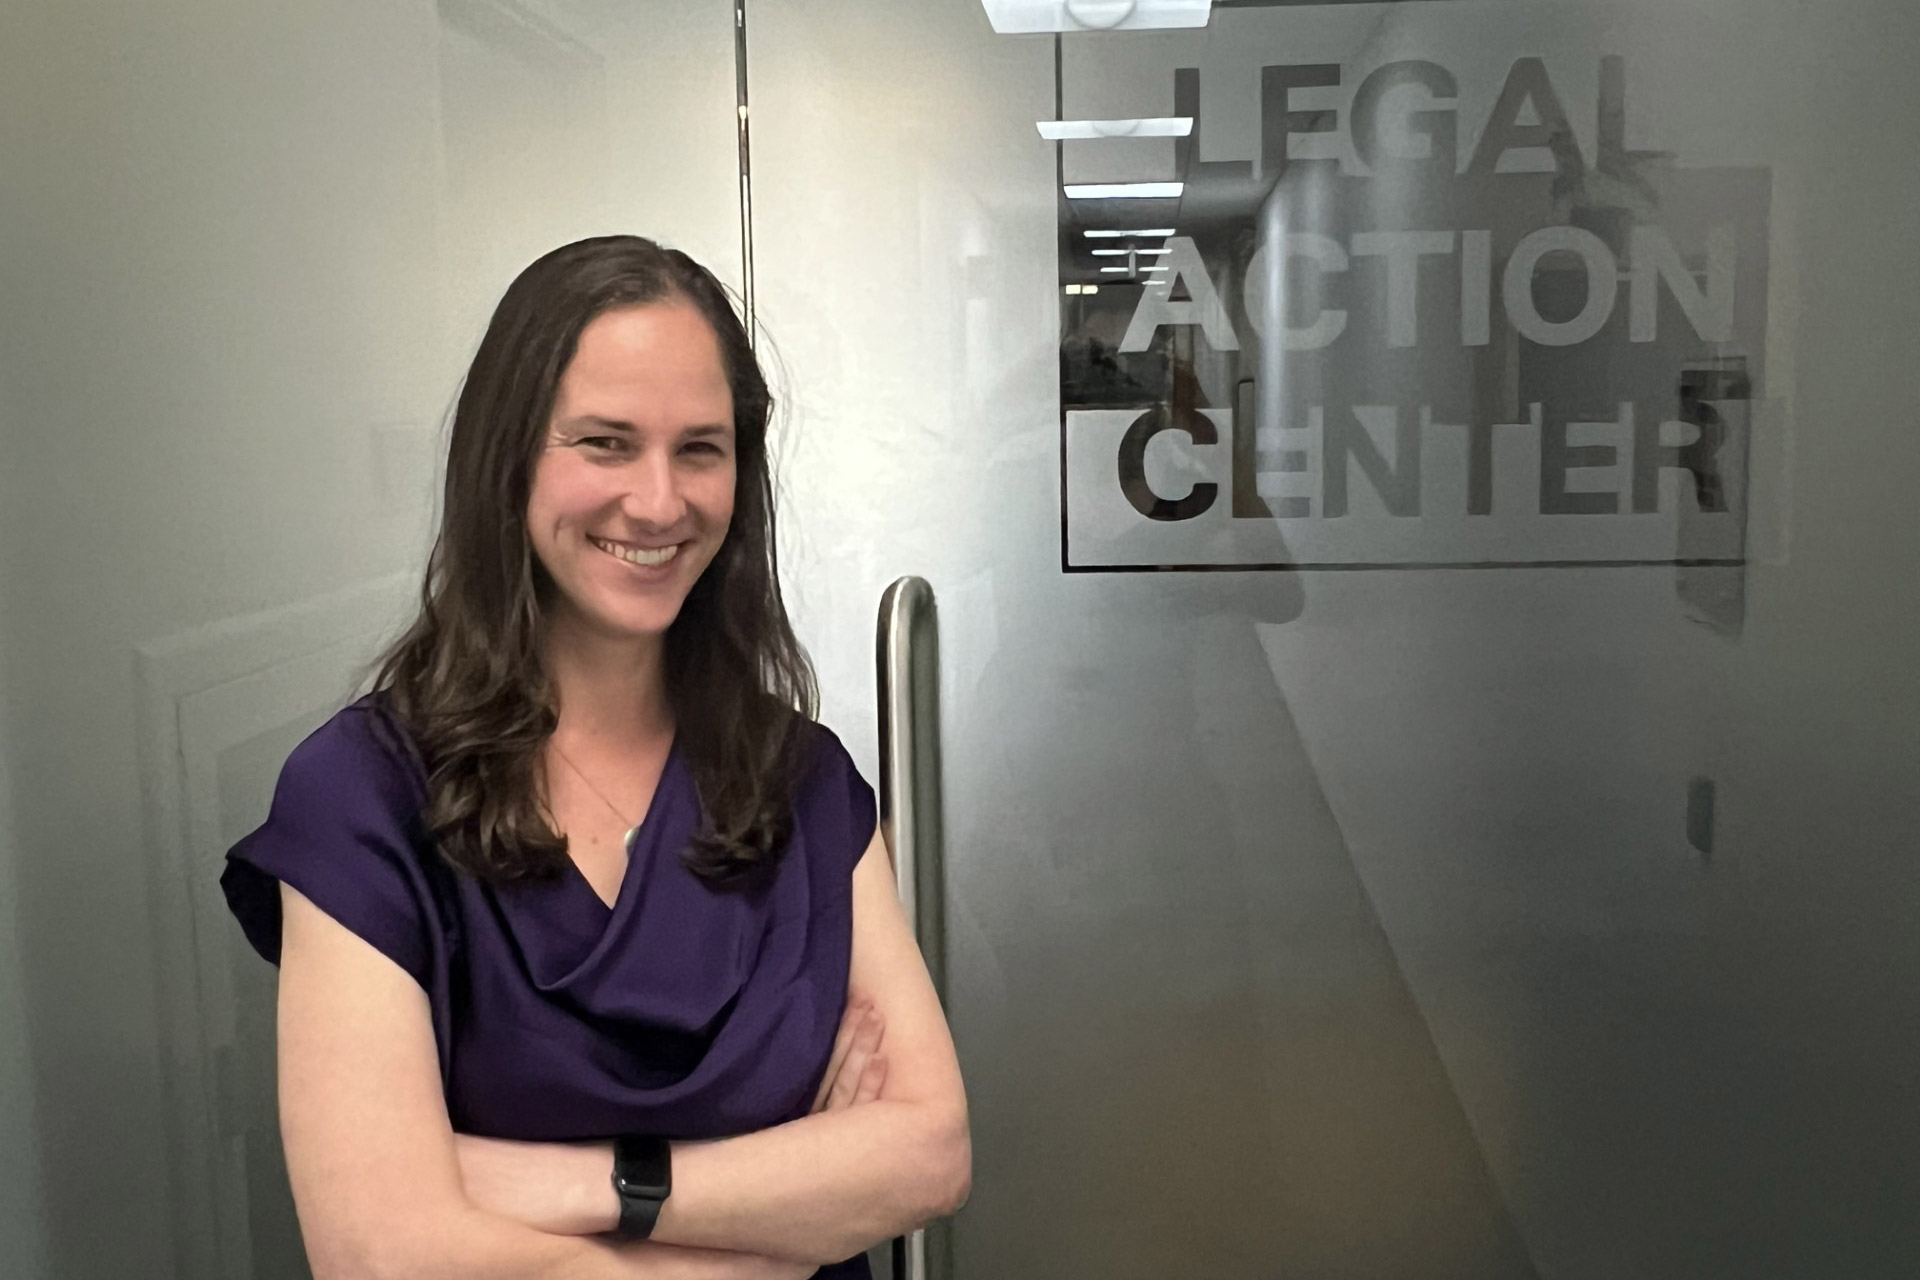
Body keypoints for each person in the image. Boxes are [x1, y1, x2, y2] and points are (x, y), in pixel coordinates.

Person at [220, 235, 970, 1279]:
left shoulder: (799, 778)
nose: (660, 501)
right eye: (606, 443)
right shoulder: (363, 795)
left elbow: (927, 1153)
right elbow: (383, 1253)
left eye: (700, 448)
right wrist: (774, 1231)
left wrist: (586, 1187)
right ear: (509, 459)